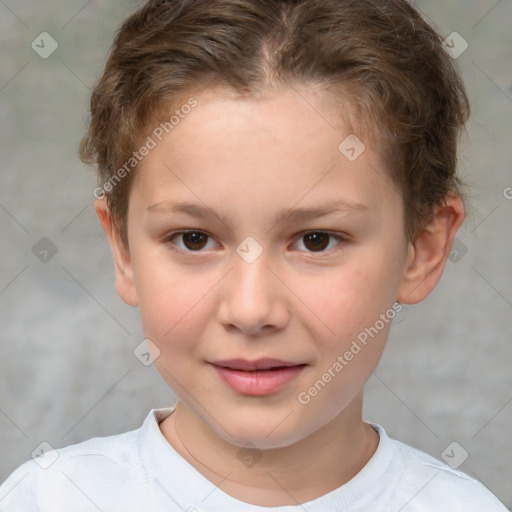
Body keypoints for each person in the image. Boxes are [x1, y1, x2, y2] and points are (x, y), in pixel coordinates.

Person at [0, 0, 508, 510]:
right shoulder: (47, 499)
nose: (250, 310)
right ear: (124, 250)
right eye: (193, 239)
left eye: (316, 240)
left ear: (422, 249)